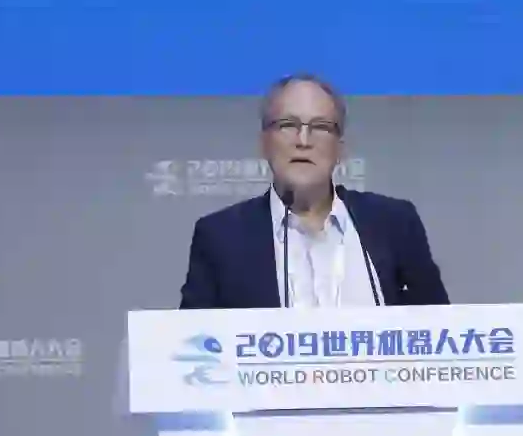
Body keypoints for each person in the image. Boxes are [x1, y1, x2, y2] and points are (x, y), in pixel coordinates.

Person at [178, 72, 449, 310]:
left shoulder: (395, 223)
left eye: (320, 127)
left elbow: (443, 331)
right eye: (288, 125)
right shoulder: (220, 237)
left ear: (340, 148)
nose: (303, 141)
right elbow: (190, 343)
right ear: (264, 143)